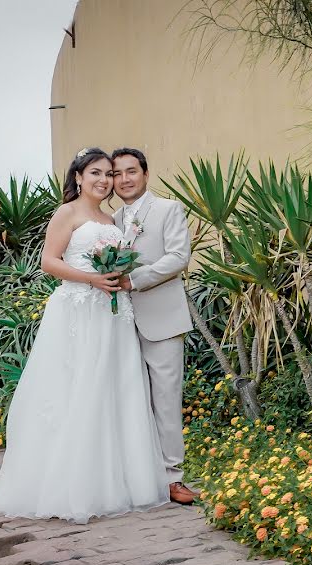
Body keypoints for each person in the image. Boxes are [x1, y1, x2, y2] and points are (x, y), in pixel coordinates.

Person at [0, 147, 170, 523]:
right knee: (76, 388)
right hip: (78, 310)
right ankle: (73, 486)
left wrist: (116, 279)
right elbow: (49, 261)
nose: (104, 180)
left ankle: (118, 482)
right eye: (96, 174)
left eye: (109, 174)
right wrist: (92, 280)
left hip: (112, 315)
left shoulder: (112, 219)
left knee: (112, 389)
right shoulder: (67, 213)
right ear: (78, 178)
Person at [111, 147, 197, 505]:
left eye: (131, 171)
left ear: (145, 174)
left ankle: (173, 478)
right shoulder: (110, 220)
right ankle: (137, 478)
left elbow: (179, 257)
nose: (124, 179)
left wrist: (136, 280)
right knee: (129, 401)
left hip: (161, 317)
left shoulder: (168, 209)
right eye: (117, 174)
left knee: (165, 399)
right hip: (118, 322)